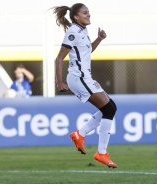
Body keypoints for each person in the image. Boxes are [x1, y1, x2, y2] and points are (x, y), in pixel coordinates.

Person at [53, 3, 117, 168]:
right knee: (109, 109)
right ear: (76, 17)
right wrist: (59, 82)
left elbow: (87, 51)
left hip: (85, 77)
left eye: (89, 12)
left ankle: (79, 134)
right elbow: (59, 58)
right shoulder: (73, 32)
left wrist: (99, 39)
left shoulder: (82, 30)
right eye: (85, 13)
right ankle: (101, 152)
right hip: (78, 78)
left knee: (110, 107)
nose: (89, 15)